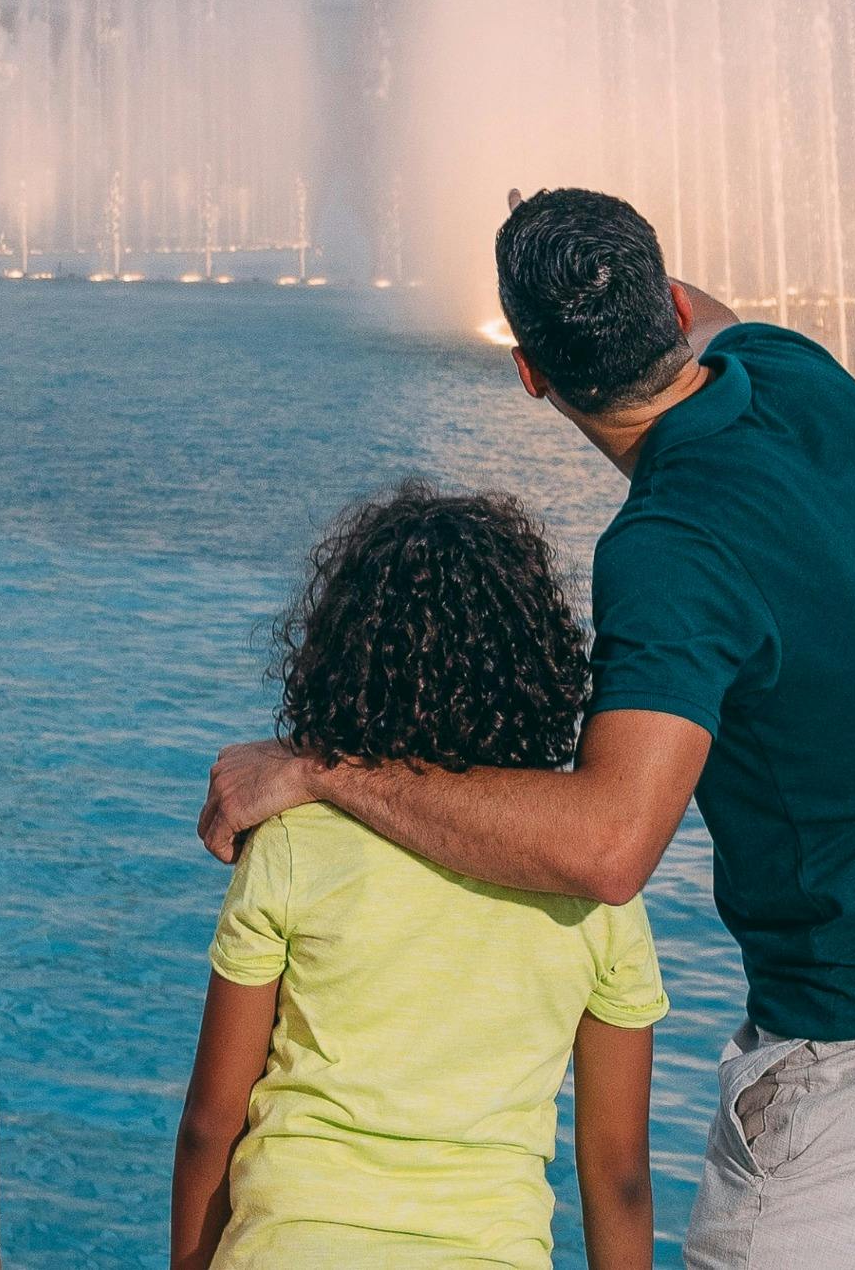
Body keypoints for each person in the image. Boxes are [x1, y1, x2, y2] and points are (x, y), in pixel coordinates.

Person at [194, 188, 855, 1268]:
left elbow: (608, 844)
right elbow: (713, 316)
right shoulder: (796, 376)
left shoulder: (672, 547)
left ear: (529, 374)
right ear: (671, 305)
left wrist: (321, 770)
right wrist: (583, 249)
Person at [169, 482, 666, 1270]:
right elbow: (619, 1176)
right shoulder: (593, 893)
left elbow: (210, 1123)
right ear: (538, 667)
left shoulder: (295, 843)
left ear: (344, 657)